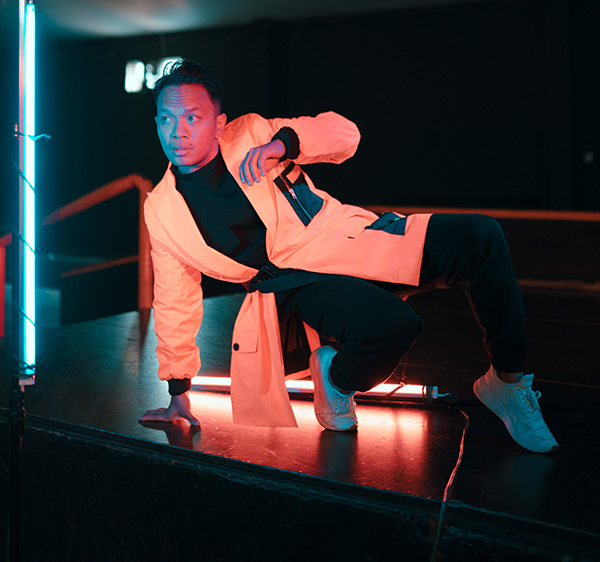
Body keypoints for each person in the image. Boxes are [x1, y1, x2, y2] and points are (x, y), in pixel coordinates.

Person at [140, 59, 558, 454]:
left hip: (345, 239)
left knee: (481, 236)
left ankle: (507, 380)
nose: (177, 132)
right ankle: (338, 380)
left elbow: (345, 135)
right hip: (291, 283)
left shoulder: (253, 133)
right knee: (397, 324)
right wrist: (179, 392)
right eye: (166, 119)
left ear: (219, 123)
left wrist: (282, 145)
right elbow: (175, 298)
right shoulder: (162, 209)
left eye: (192, 118)